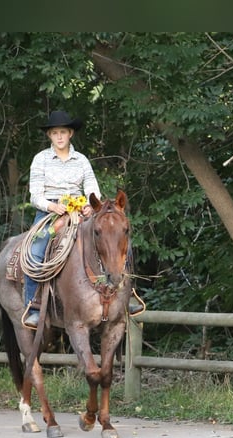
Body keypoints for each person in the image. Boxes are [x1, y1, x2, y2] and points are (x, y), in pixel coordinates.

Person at [22, 110, 144, 329]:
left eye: (63, 132)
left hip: (80, 211)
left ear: (70, 134)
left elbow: (91, 188)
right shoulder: (40, 159)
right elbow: (35, 195)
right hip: (50, 213)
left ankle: (128, 294)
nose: (59, 137)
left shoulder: (81, 160)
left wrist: (90, 206)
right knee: (35, 251)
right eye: (54, 133)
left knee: (115, 241)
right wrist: (53, 206)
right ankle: (33, 306)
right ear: (50, 135)